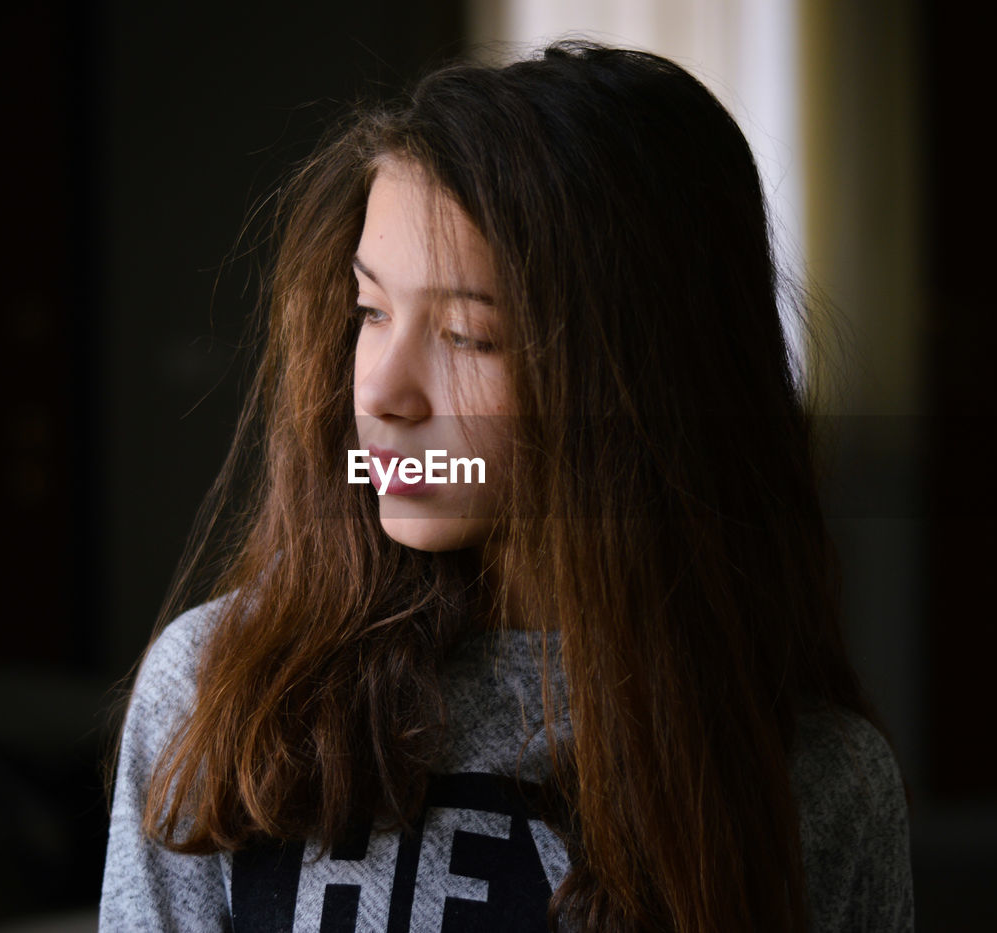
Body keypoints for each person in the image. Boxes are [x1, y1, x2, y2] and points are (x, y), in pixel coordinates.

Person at [100, 41, 914, 932]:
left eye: (466, 336)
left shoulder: (814, 781)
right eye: (370, 311)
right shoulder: (219, 693)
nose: (377, 391)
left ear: (640, 381)